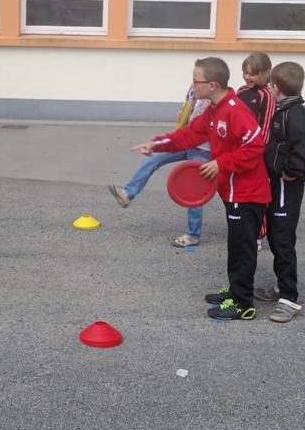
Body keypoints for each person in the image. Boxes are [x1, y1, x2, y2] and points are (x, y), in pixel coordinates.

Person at [131, 57, 270, 321]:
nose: (193, 85)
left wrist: (220, 163)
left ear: (213, 85)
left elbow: (255, 146)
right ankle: (236, 289)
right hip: (232, 191)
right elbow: (189, 135)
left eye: (196, 81)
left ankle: (243, 304)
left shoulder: (235, 110)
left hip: (248, 192)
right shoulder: (215, 110)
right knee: (236, 245)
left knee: (243, 248)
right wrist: (156, 144)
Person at [109, 84, 211, 248]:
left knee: (194, 191)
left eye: (198, 80)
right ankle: (128, 193)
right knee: (153, 159)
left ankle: (193, 235)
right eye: (194, 79)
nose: (195, 83)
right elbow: (186, 112)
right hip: (186, 141)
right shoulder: (193, 90)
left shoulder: (214, 98)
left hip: (203, 150)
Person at [254, 62, 305, 323]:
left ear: (276, 88)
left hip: (285, 187)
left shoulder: (296, 114)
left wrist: (293, 170)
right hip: (275, 184)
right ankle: (281, 286)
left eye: (270, 85)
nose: (269, 89)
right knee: (275, 236)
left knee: (282, 239)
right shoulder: (284, 111)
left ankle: (289, 297)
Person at [236, 52, 277, 250]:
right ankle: (242, 226)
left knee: (256, 195)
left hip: (256, 153)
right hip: (239, 150)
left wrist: (256, 151)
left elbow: (266, 127)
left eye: (252, 74)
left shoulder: (267, 96)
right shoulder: (241, 91)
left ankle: (258, 234)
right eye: (245, 73)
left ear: (266, 73)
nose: (247, 77)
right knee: (241, 191)